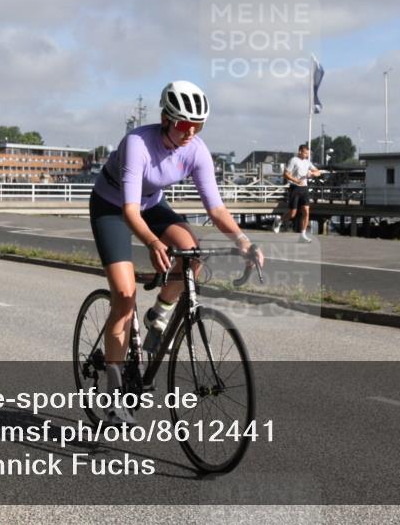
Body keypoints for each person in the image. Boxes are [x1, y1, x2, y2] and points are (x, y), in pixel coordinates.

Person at [90, 80, 263, 426]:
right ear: (166, 118)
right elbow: (129, 211)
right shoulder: (138, 143)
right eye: (184, 125)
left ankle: (160, 313)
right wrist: (153, 243)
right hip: (113, 208)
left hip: (152, 205)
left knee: (192, 252)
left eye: (197, 126)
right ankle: (112, 394)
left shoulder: (196, 150)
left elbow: (215, 209)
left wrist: (243, 242)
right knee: (124, 298)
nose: (190, 133)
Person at [273, 144, 321, 243]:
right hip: (294, 188)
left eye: (308, 154)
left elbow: (318, 172)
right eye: (305, 153)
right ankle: (279, 220)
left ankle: (303, 235)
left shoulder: (307, 162)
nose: (307, 155)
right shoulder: (293, 160)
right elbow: (285, 174)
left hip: (304, 189)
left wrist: (312, 174)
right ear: (300, 151)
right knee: (293, 213)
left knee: (306, 211)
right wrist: (296, 180)